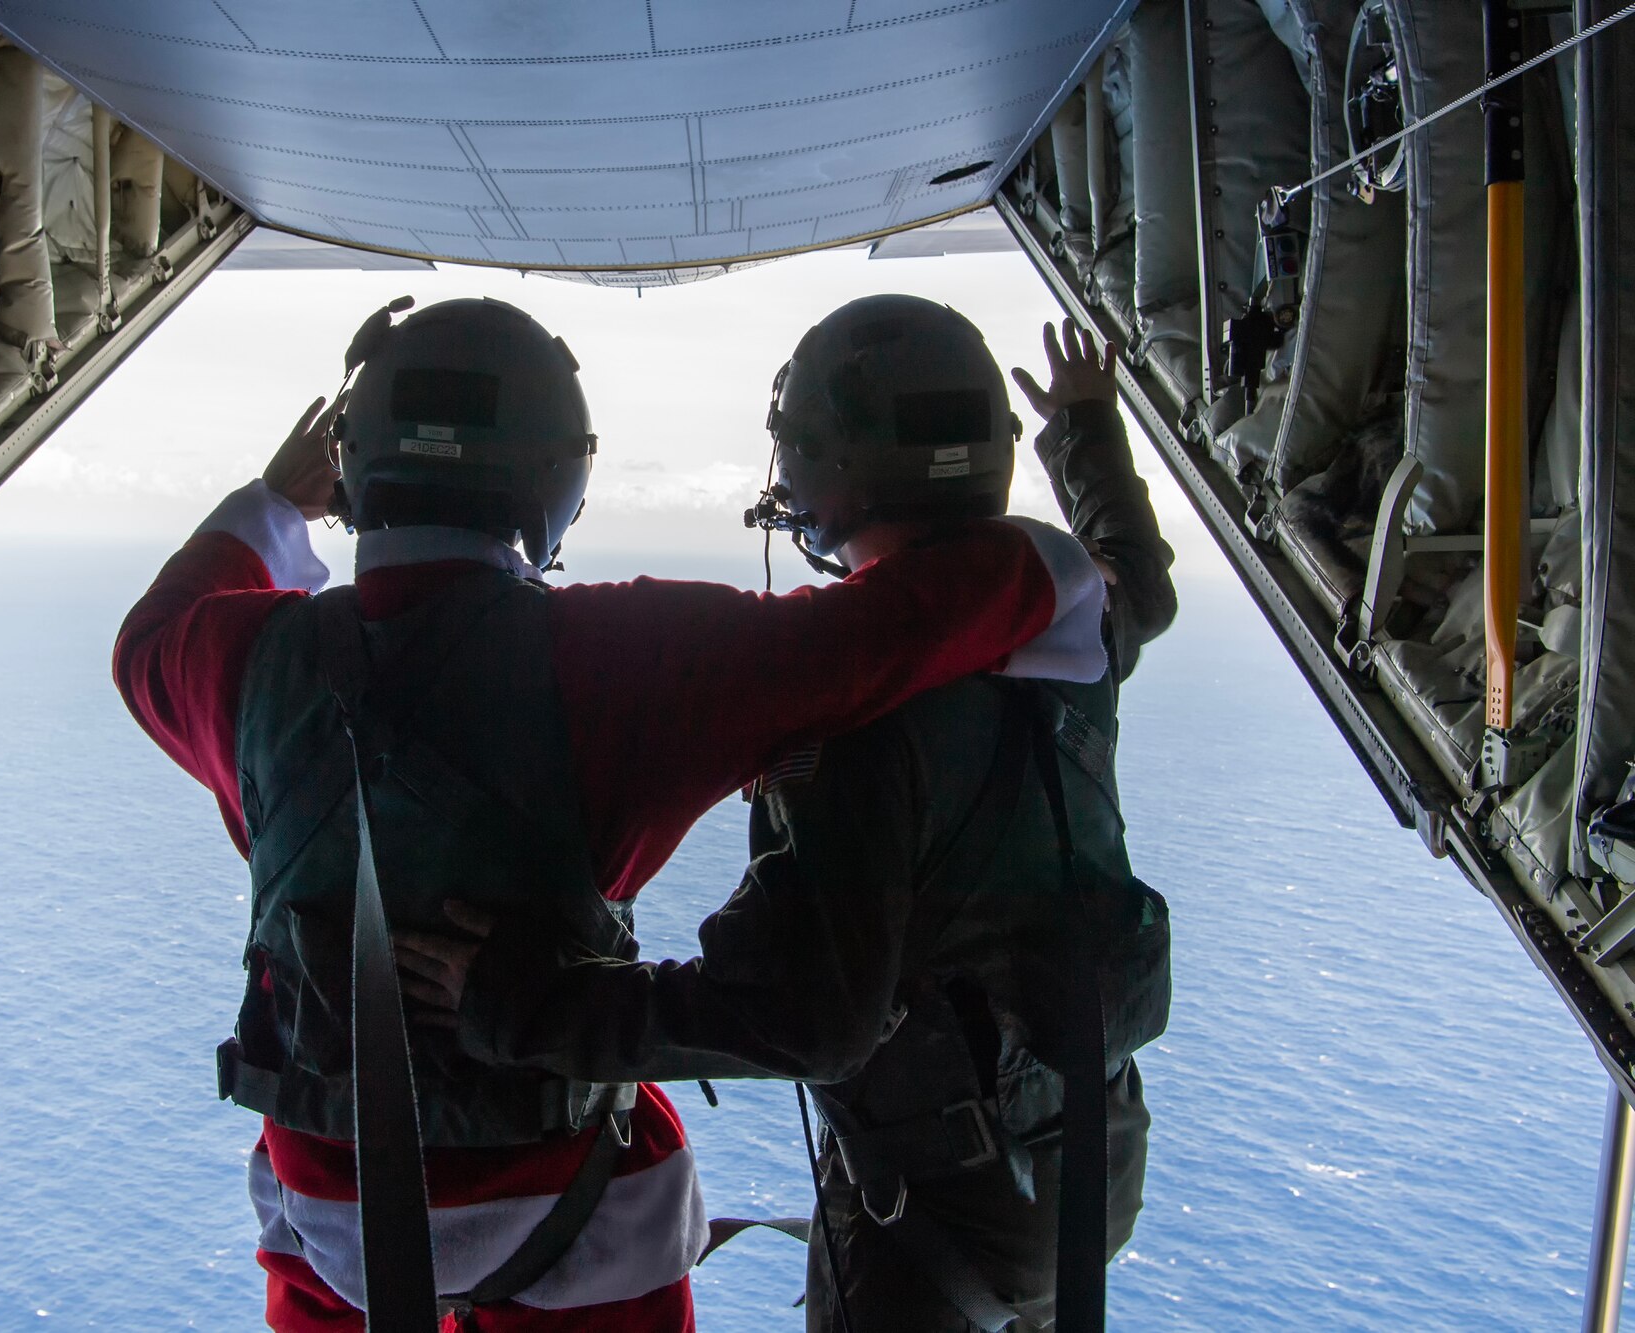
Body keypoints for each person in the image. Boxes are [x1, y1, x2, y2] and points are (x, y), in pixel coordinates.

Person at [112, 295, 1107, 1332]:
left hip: (329, 1208)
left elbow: (149, 639)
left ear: (355, 466)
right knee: (639, 1156)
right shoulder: (617, 657)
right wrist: (1063, 571)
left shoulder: (245, 663)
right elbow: (872, 637)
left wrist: (277, 503)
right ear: (556, 480)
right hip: (573, 1213)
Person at [398, 306, 1176, 1332]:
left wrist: (520, 1003)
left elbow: (811, 1019)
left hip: (930, 1227)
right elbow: (1142, 582)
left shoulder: (856, 723)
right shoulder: (1075, 627)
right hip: (1085, 1175)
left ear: (825, 471)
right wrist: (1084, 431)